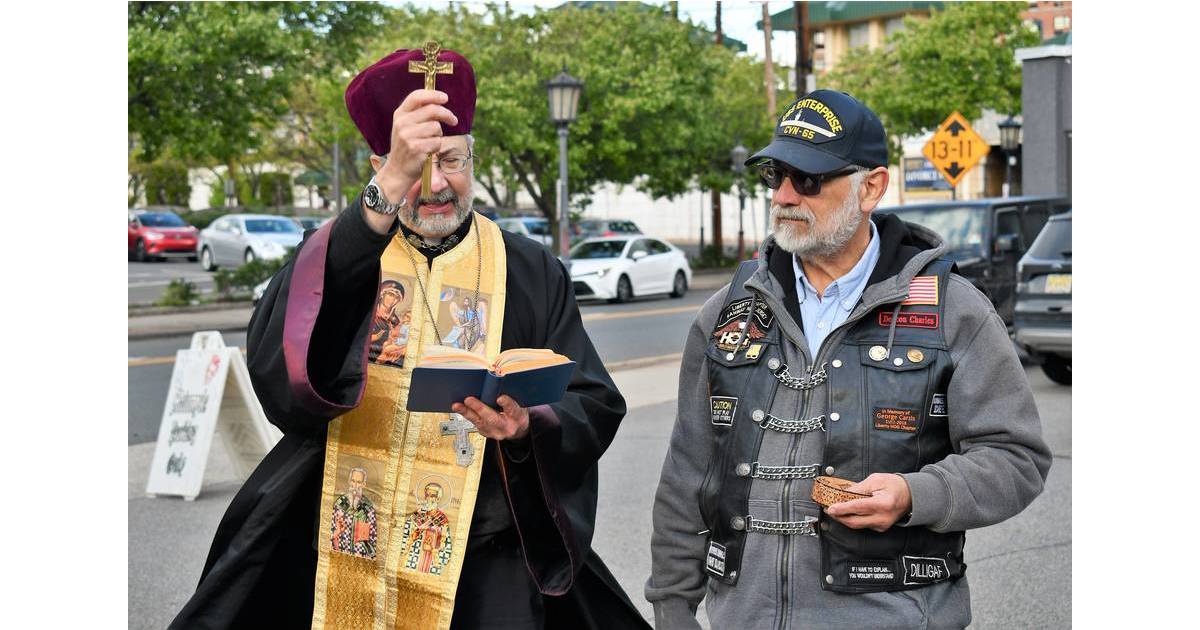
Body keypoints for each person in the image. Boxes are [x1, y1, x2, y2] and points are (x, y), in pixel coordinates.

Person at [170, 46, 648, 630]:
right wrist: (385, 192)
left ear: (473, 156)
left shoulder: (527, 268)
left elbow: (592, 401)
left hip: (483, 553)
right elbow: (281, 369)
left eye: (451, 160)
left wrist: (528, 426)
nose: (436, 184)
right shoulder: (340, 256)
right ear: (380, 167)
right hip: (345, 540)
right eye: (414, 166)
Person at [645, 90, 1052, 629]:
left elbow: (1016, 457)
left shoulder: (954, 310)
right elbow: (687, 474)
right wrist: (672, 610)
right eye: (775, 175)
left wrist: (915, 495)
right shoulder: (728, 313)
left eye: (808, 179)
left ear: (871, 188)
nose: (784, 195)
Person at [330, 467, 377, 559]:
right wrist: (337, 532)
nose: (355, 485)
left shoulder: (369, 508)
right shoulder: (339, 504)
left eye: (359, 482)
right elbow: (330, 533)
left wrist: (364, 549)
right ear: (349, 482)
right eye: (353, 481)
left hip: (359, 558)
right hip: (339, 555)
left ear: (364, 484)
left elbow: (373, 541)